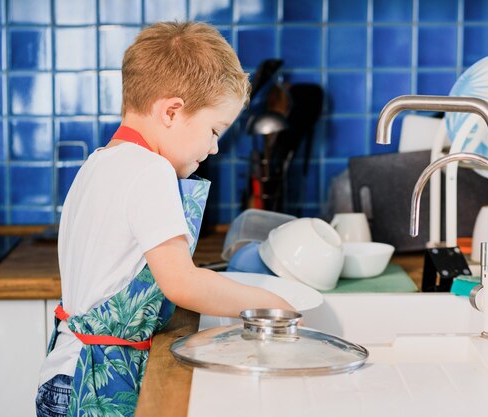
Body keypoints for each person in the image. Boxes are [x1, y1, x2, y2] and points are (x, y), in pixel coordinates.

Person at [35, 21, 294, 417]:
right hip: (97, 383)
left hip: (63, 374)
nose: (214, 147)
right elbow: (181, 282)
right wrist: (272, 305)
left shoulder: (98, 163)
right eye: (213, 129)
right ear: (172, 111)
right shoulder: (149, 169)